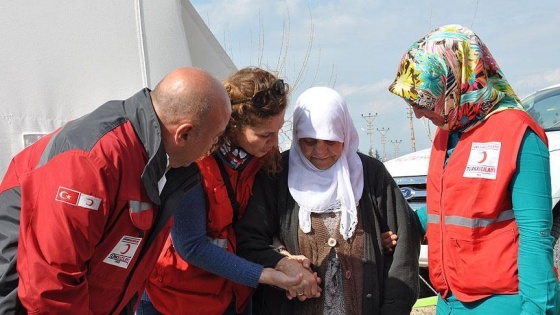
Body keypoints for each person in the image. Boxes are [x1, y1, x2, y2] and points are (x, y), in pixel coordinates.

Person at [0, 67, 232, 314]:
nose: (214, 148)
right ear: (184, 134)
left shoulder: (162, 169)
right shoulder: (91, 161)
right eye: (215, 138)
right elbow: (51, 286)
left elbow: (129, 274)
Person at [388, 24, 560, 314]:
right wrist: (403, 228)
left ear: (458, 80)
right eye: (412, 103)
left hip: (504, 302)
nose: (418, 112)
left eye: (424, 100)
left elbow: (536, 235)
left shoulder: (518, 134)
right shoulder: (447, 133)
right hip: (450, 300)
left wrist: (536, 310)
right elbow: (451, 206)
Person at [137, 67, 321, 315]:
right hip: (177, 299)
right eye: (265, 135)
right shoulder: (193, 163)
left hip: (232, 296)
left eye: (279, 131)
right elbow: (190, 246)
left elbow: (257, 224)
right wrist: (267, 275)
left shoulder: (261, 159)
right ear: (233, 125)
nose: (275, 143)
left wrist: (280, 255)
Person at [235, 86, 422, 314]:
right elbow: (249, 239)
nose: (320, 151)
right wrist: (283, 260)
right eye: (309, 141)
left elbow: (404, 242)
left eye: (331, 141)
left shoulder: (369, 174)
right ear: (296, 136)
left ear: (345, 134)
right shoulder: (277, 175)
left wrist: (394, 307)